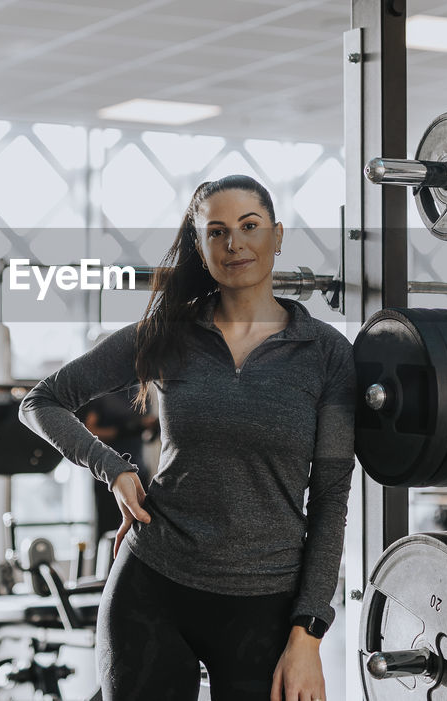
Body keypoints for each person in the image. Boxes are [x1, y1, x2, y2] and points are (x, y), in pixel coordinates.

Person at [19, 174, 356, 701]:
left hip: (264, 601)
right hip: (154, 581)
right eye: (216, 232)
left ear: (278, 235)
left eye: (250, 226)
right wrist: (115, 469)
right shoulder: (166, 334)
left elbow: (331, 497)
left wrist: (309, 632)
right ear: (200, 248)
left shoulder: (327, 353)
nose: (235, 244)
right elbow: (40, 402)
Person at [78, 386, 154, 550]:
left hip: (138, 472)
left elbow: (146, 432)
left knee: (141, 532)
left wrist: (151, 428)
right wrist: (122, 430)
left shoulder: (141, 392)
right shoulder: (102, 393)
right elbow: (89, 430)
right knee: (108, 531)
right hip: (109, 474)